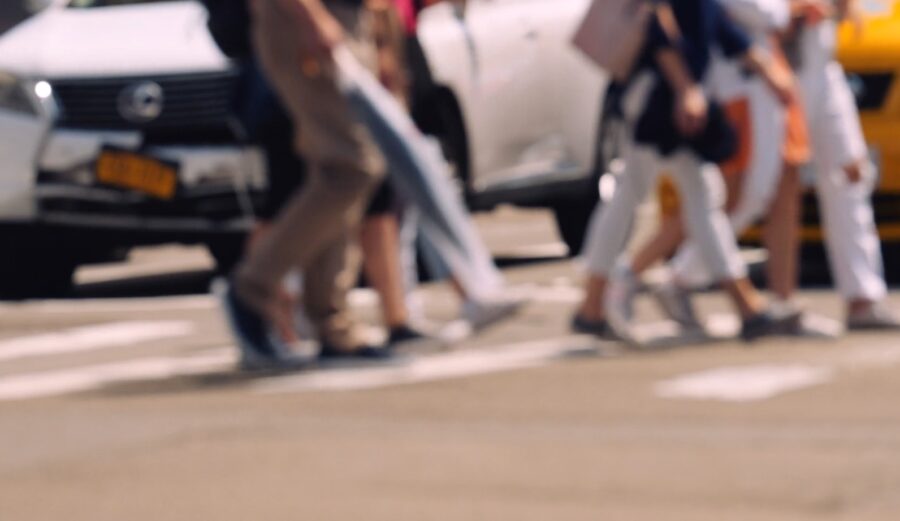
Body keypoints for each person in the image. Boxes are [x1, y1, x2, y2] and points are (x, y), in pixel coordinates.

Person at [573, 0, 798, 343]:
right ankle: (593, 302)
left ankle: (745, 305)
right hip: (656, 95)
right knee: (636, 194)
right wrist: (685, 88)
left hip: (673, 93)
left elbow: (716, 25)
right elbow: (658, 22)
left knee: (688, 196)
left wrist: (764, 69)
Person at [220, 0, 394, 369]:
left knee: (338, 170)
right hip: (305, 20)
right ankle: (253, 287)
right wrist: (312, 17)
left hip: (343, 17)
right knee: (354, 166)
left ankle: (333, 323)